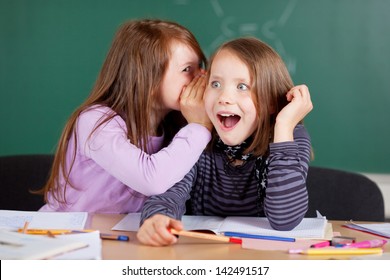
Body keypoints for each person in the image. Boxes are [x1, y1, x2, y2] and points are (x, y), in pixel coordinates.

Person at [137, 37, 314, 246]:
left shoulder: (289, 139)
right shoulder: (196, 137)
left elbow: (285, 220)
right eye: (216, 84)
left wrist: (284, 125)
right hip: (201, 252)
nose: (224, 97)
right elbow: (168, 194)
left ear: (271, 102)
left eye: (242, 86)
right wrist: (156, 220)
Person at [38, 19, 213, 213]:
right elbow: (152, 181)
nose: (202, 76)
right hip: (66, 235)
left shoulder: (175, 126)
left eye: (200, 66)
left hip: (122, 237)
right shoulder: (95, 121)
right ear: (147, 78)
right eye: (187, 69)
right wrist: (199, 127)